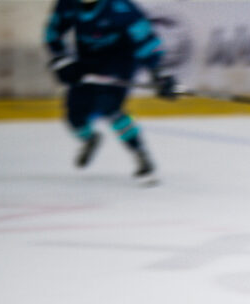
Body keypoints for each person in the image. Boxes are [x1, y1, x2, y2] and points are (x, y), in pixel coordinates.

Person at [44, 0, 177, 184]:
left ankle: (139, 153)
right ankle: (90, 139)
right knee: (74, 115)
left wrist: (159, 72)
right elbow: (53, 32)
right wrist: (61, 59)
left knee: (109, 106)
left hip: (120, 60)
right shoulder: (68, 4)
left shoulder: (121, 8)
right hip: (88, 59)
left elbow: (145, 39)